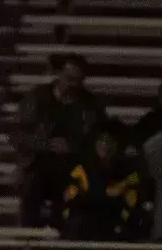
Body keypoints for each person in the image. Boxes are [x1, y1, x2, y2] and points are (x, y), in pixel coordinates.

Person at [17, 53, 106, 227]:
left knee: (78, 192)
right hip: (39, 165)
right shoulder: (37, 97)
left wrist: (72, 147)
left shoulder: (90, 105)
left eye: (79, 80)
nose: (74, 85)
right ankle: (29, 234)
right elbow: (20, 136)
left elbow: (98, 138)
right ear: (59, 75)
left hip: (72, 166)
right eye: (69, 79)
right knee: (31, 186)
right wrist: (48, 145)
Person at [59, 121, 141, 243]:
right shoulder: (81, 171)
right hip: (85, 231)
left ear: (119, 145)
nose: (104, 145)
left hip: (115, 233)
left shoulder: (130, 174)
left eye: (110, 141)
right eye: (101, 140)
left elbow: (130, 209)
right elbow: (70, 202)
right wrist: (106, 197)